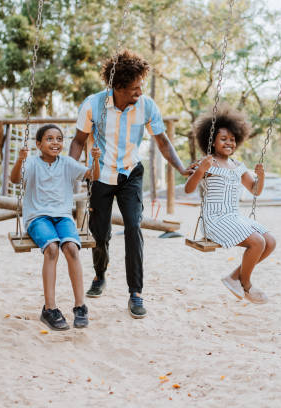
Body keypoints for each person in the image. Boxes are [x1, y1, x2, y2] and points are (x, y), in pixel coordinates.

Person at [70, 49, 193, 319]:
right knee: (100, 233)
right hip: (100, 176)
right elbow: (79, 141)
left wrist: (181, 167)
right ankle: (100, 275)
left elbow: (161, 140)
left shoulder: (147, 105)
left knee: (134, 227)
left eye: (141, 86)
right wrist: (67, 173)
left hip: (130, 173)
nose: (139, 92)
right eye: (134, 88)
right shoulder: (93, 104)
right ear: (117, 86)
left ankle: (135, 292)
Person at [11, 124, 101, 330]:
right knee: (52, 249)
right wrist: (20, 159)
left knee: (71, 248)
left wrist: (95, 159)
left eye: (59, 139)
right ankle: (49, 309)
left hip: (62, 217)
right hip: (38, 217)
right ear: (38, 144)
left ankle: (80, 306)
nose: (55, 143)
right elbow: (15, 179)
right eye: (49, 139)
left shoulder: (67, 163)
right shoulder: (32, 162)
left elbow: (93, 176)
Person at [184, 106, 276, 304]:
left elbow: (255, 190)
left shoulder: (238, 167)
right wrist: (201, 171)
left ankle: (234, 277)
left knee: (270, 241)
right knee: (258, 242)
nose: (229, 142)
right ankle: (247, 284)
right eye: (223, 138)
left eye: (232, 139)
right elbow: (188, 189)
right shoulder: (208, 163)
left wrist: (260, 177)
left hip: (234, 217)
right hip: (214, 219)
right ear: (212, 141)